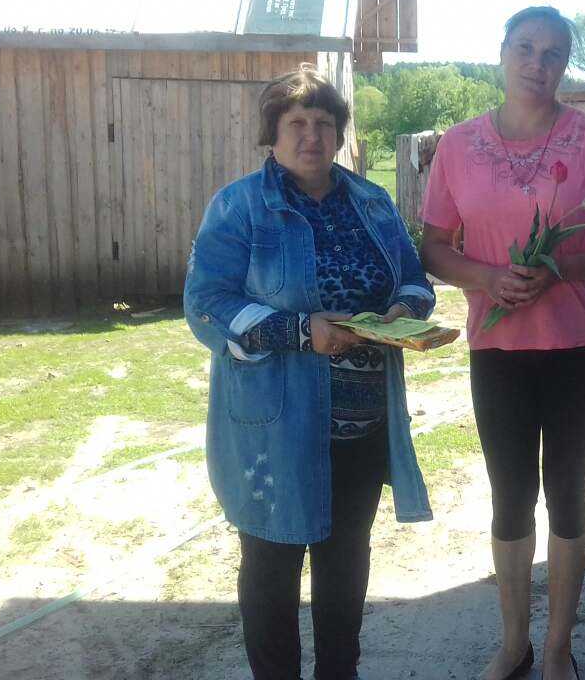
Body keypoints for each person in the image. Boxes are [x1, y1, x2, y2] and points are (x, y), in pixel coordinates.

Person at [184, 65, 435, 680]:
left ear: (340, 133)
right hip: (277, 429)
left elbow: (414, 280)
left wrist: (402, 312)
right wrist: (301, 331)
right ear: (272, 132)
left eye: (324, 123)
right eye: (296, 122)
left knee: (345, 565)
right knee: (271, 569)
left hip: (361, 426)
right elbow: (207, 303)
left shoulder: (372, 203)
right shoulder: (239, 206)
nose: (312, 136)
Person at [419, 6, 585, 680]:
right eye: (525, 48)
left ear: (565, 64)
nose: (536, 65)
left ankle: (556, 648)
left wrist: (563, 269)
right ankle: (514, 642)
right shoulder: (458, 145)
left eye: (552, 54)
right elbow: (434, 246)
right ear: (502, 53)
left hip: (578, 346)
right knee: (510, 495)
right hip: (497, 351)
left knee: (569, 492)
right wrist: (488, 277)